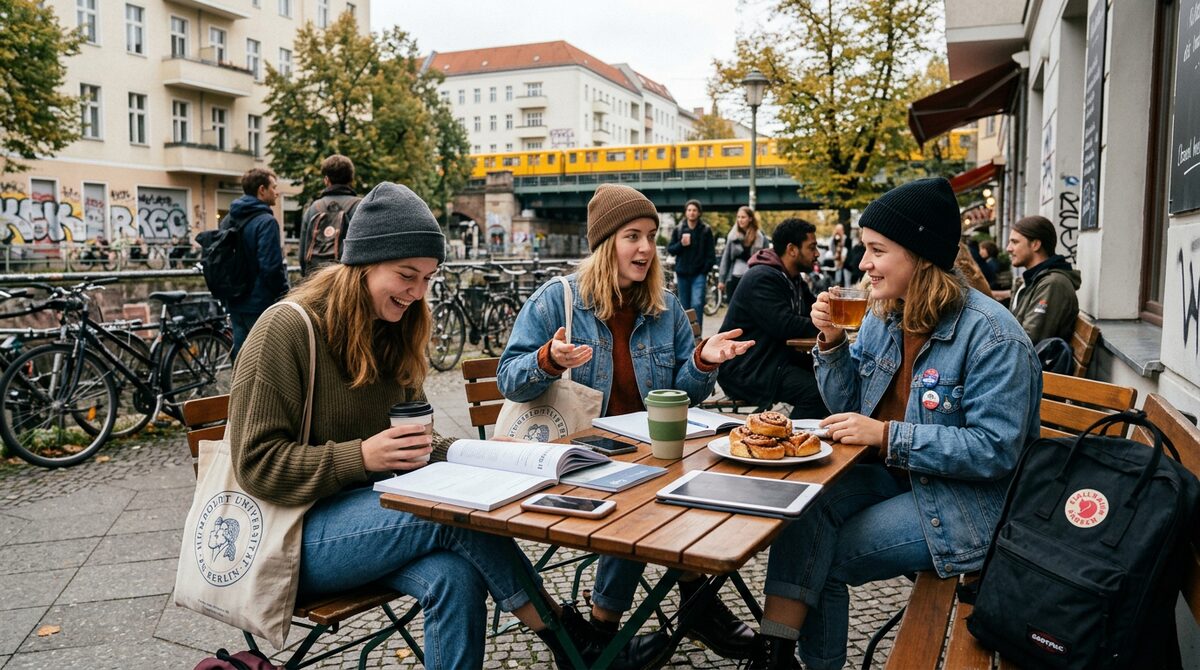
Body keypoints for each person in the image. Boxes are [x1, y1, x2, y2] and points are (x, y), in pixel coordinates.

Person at [229, 181, 668, 670]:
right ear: (362, 264)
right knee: (445, 513)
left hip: (375, 519)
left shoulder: (395, 328)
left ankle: (574, 644)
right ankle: (572, 642)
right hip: (292, 536)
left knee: (456, 577)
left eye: (429, 279)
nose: (418, 294)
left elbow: (417, 444)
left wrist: (486, 454)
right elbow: (255, 465)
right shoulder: (285, 329)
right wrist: (361, 457)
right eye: (406, 275)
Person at [747, 178, 1041, 669]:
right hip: (895, 478)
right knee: (802, 508)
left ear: (920, 255)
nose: (863, 264)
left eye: (876, 251)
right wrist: (832, 343)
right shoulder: (886, 315)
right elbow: (848, 403)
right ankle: (776, 653)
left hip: (964, 502)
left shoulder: (993, 337)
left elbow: (995, 450)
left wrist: (886, 435)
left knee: (829, 558)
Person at [499, 183, 761, 663]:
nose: (645, 248)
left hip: (642, 457)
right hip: (571, 458)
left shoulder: (663, 308)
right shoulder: (557, 301)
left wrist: (703, 362)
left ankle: (619, 632)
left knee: (674, 479)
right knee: (640, 491)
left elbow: (687, 394)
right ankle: (622, 627)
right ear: (605, 245)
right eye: (632, 236)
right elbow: (509, 380)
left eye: (651, 235)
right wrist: (548, 360)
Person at [716, 218, 828, 420]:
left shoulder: (793, 279)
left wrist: (829, 309)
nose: (817, 254)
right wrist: (829, 325)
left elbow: (812, 311)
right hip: (746, 368)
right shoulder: (762, 278)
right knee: (817, 393)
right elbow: (785, 326)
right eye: (812, 247)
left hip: (772, 360)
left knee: (833, 378)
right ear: (792, 249)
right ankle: (787, 441)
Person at [223, 167, 289, 360]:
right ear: (262, 190)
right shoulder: (266, 221)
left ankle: (240, 391)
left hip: (235, 299)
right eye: (273, 187)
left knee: (242, 358)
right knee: (268, 358)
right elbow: (270, 266)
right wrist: (284, 293)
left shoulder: (230, 218)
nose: (276, 192)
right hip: (260, 302)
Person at [994, 215, 1080, 344]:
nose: (1008, 248)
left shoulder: (1052, 284)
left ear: (1035, 245)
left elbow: (1029, 341)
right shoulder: (1036, 280)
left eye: (1015, 242)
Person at [299, 154, 362, 277]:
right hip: (348, 280)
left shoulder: (313, 208)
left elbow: (303, 255)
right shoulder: (360, 207)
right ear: (351, 180)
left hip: (317, 279)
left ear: (326, 180)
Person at [666, 199, 716, 328]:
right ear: (685, 213)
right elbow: (671, 249)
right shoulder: (679, 229)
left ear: (699, 213)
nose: (691, 213)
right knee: (684, 305)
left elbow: (711, 253)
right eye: (689, 210)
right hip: (683, 273)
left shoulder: (705, 230)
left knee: (697, 303)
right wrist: (681, 244)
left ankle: (697, 335)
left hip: (699, 273)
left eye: (694, 210)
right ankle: (686, 334)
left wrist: (705, 270)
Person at [717, 206, 767, 300]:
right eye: (738, 217)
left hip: (753, 279)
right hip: (734, 278)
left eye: (743, 217)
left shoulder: (760, 237)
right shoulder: (732, 236)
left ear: (750, 219)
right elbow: (726, 259)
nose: (740, 220)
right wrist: (721, 280)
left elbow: (766, 260)